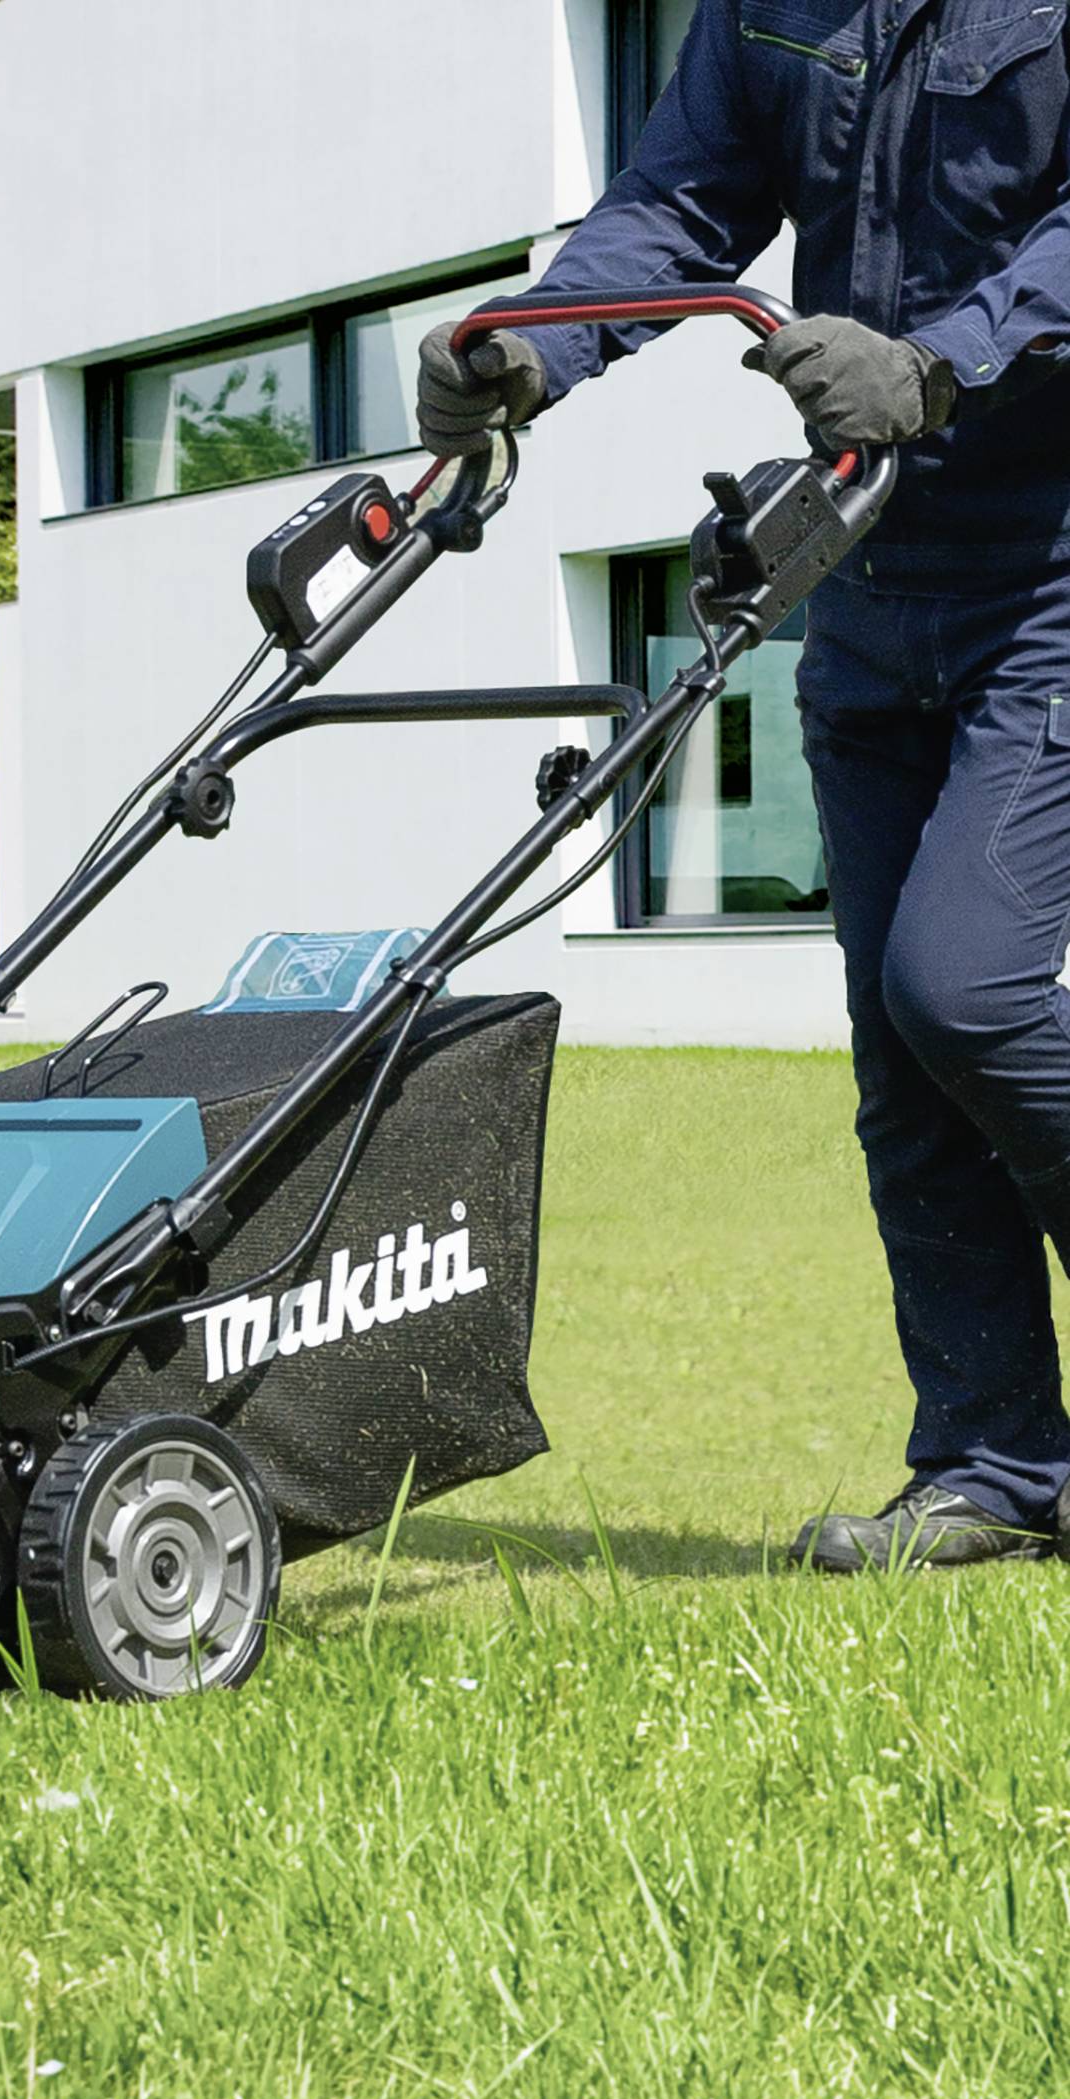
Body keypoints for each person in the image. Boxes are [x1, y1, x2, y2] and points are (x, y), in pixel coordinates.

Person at [418, 0, 1070, 1572]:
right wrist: (525, 349)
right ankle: (996, 1466)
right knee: (901, 1066)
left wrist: (939, 361)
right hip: (858, 569)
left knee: (962, 987)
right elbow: (676, 206)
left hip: (1049, 571)